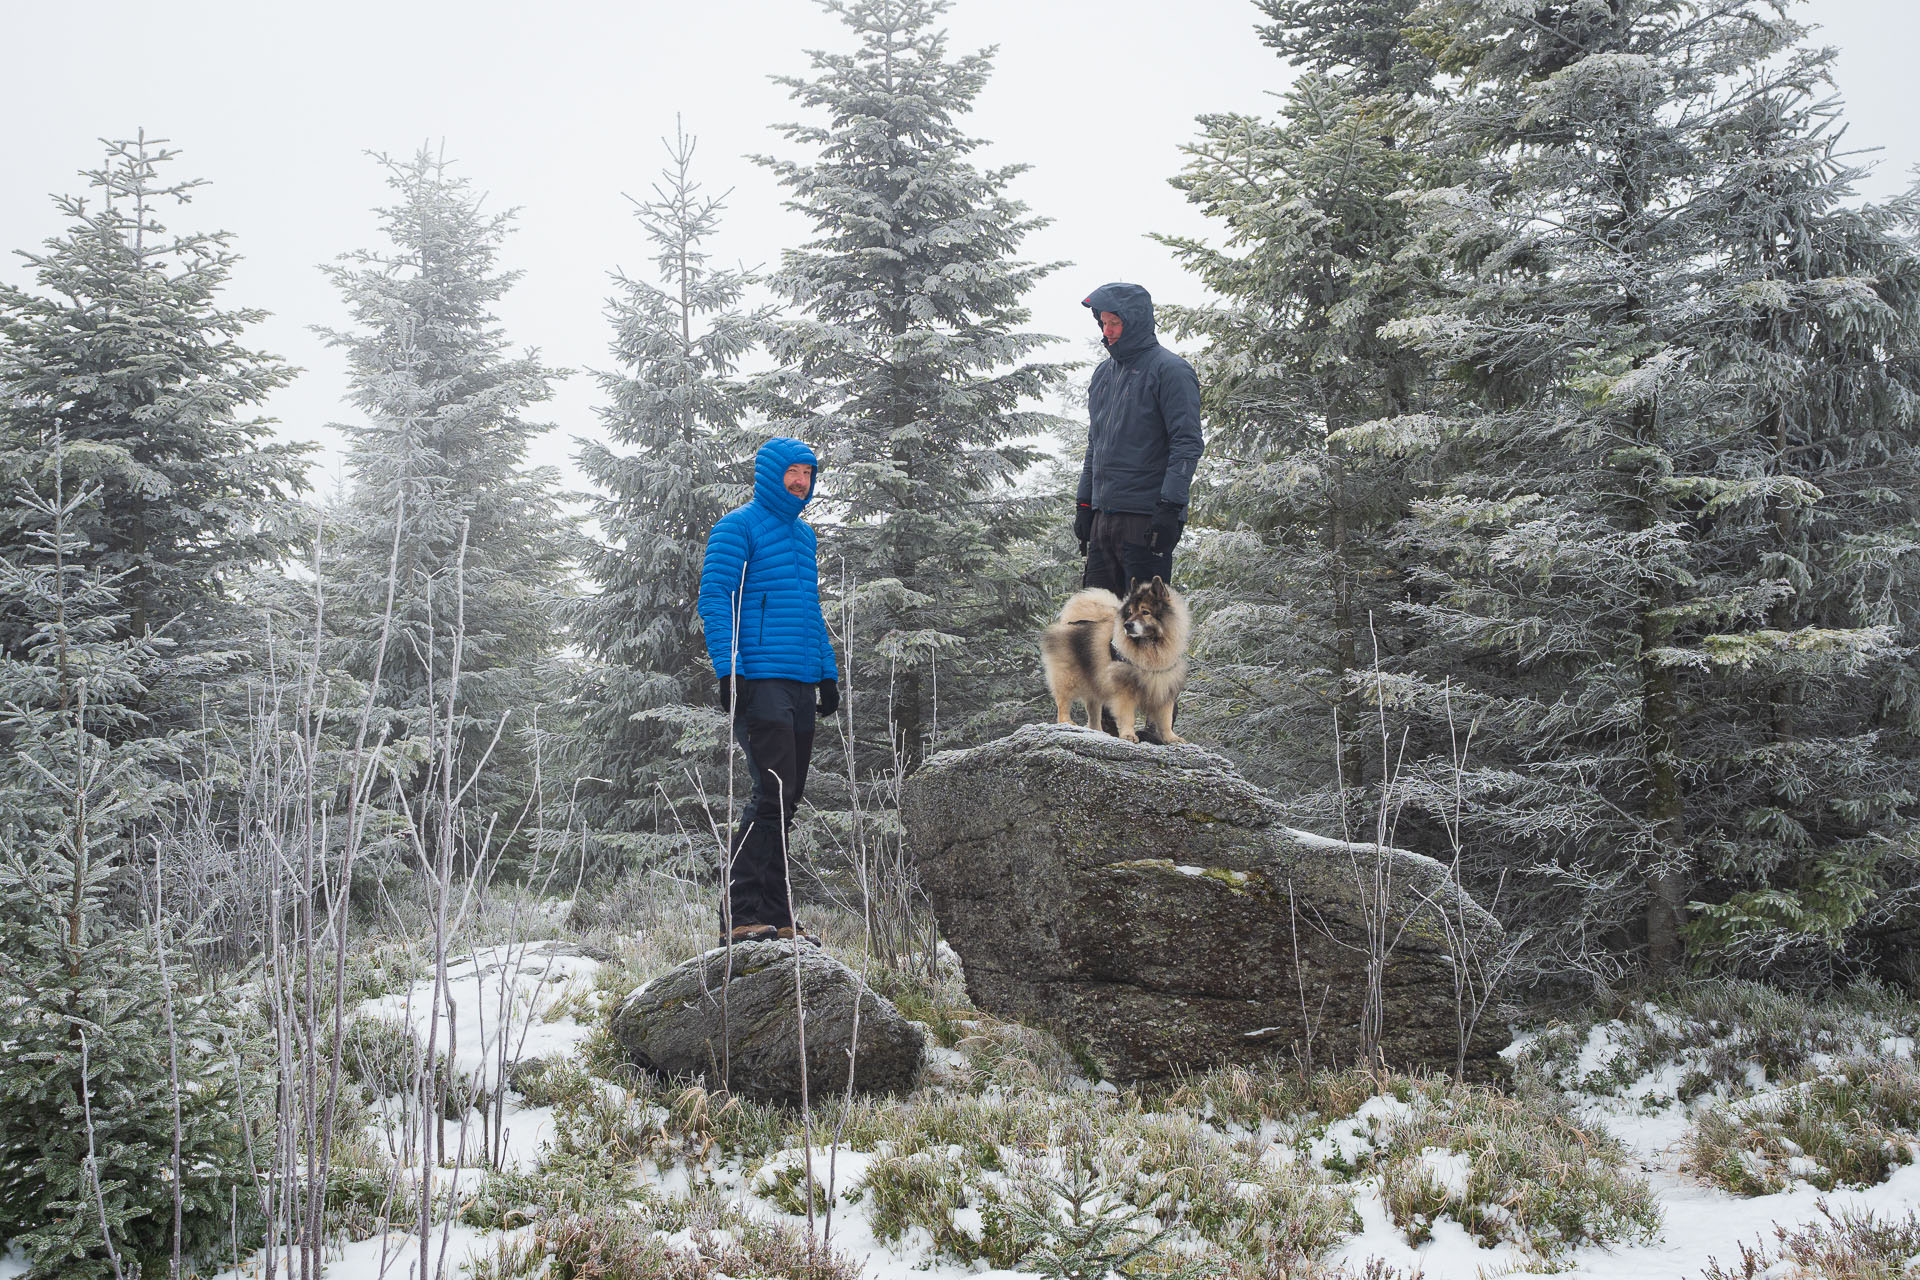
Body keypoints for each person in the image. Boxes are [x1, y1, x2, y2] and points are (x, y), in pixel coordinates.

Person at [697, 436, 840, 946]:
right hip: (760, 679)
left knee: (789, 798)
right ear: (771, 474)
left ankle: (778, 917)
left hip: (800, 681)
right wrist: (728, 669)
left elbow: (809, 609)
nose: (801, 481)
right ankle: (740, 916)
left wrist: (827, 671)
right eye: (793, 472)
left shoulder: (804, 539)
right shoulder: (738, 527)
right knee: (771, 793)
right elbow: (714, 597)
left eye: (808, 473)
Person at [1074, 282, 1204, 597]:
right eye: (1103, 322)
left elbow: (1186, 443)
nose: (1107, 330)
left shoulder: (1171, 371)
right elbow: (1096, 443)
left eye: (1115, 322)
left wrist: (1170, 507)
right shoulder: (1103, 375)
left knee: (1142, 634)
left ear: (1135, 321)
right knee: (1094, 629)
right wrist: (1084, 504)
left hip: (1145, 522)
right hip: (1103, 521)